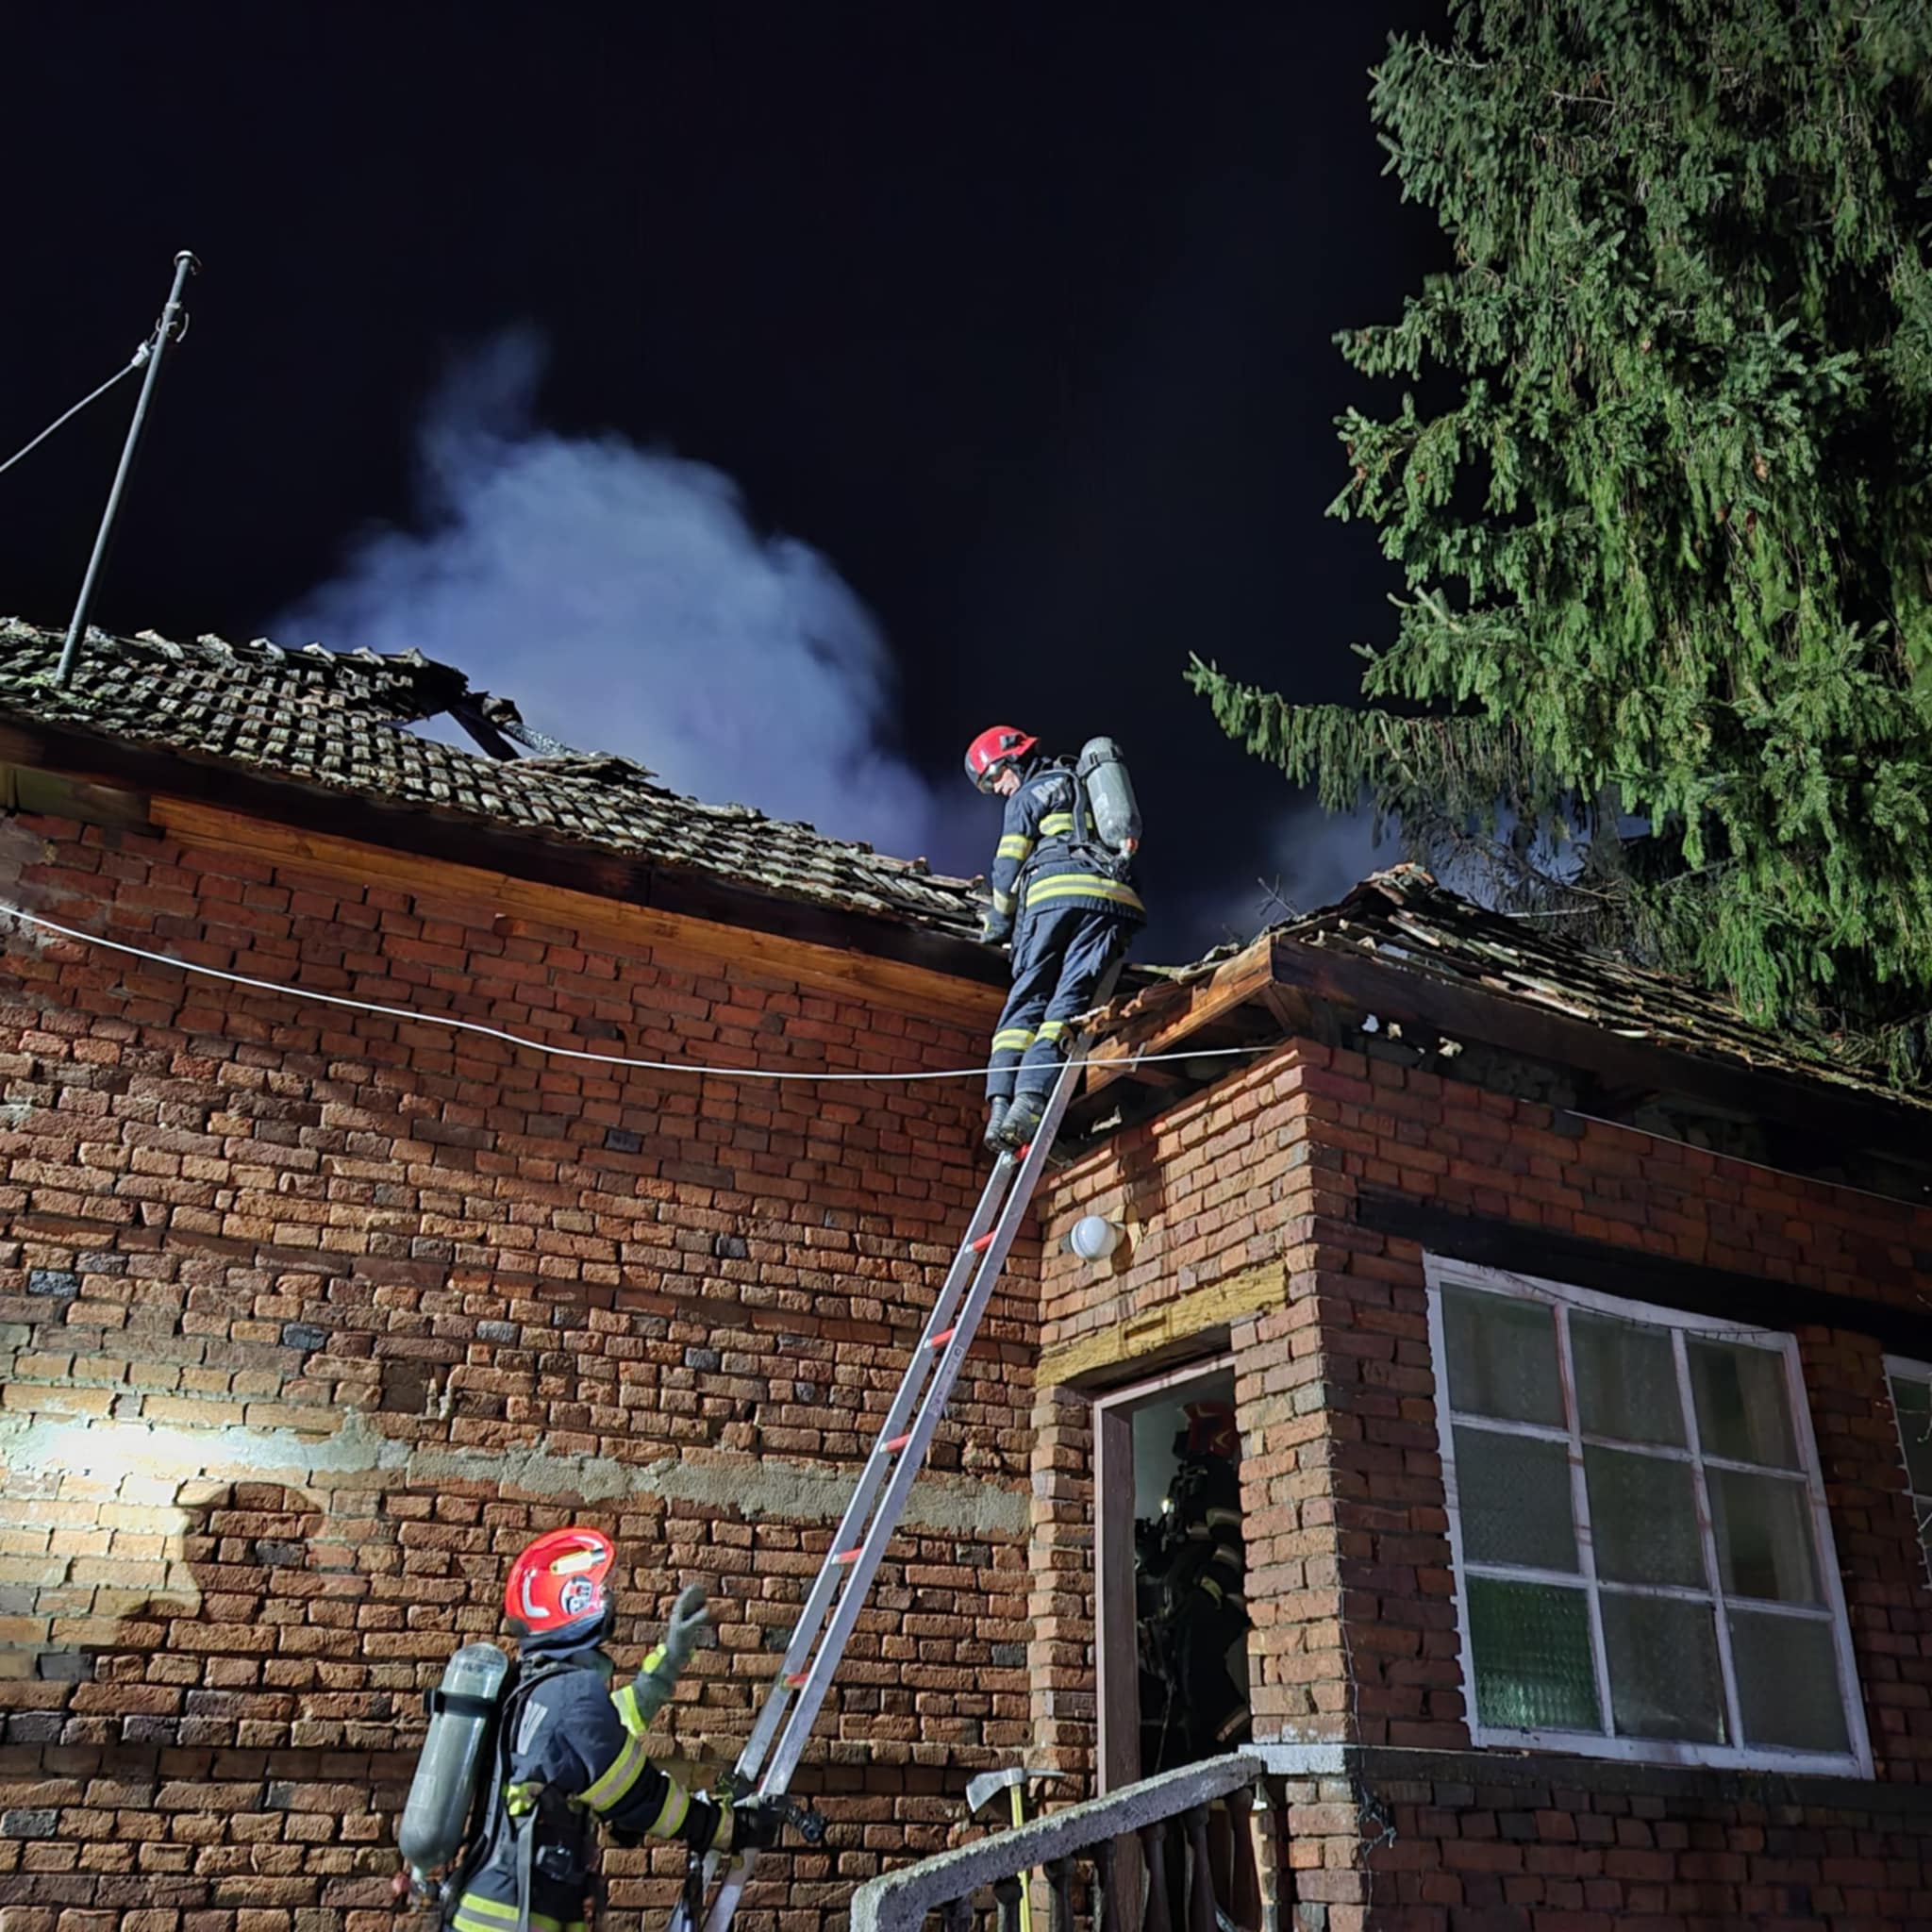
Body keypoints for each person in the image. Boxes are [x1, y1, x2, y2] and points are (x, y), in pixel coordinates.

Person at [434, 1528, 781, 1932]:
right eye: (599, 1588)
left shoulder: (533, 1691)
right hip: (518, 1919)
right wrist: (728, 1828)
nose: (608, 1599)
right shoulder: (571, 1697)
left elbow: (604, 1734)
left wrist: (670, 1660)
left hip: (487, 1908)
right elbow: (639, 1796)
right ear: (568, 1600)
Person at [963, 725, 1145, 1152]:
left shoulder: (1030, 794)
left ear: (1011, 761)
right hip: (1110, 904)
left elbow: (1006, 869)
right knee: (1069, 1001)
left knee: (1027, 1001)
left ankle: (1004, 1107)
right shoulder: (1080, 785)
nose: (998, 790)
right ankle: (1031, 1100)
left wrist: (998, 922)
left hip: (1051, 901)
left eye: (994, 779)